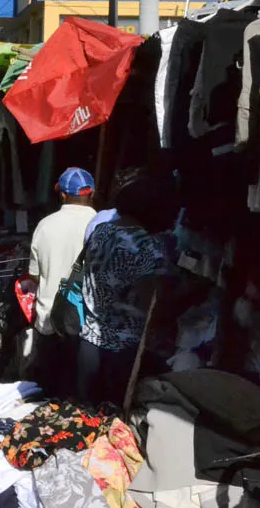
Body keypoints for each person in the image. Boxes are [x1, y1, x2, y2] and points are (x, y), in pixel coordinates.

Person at [77, 167, 176, 405]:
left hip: (88, 340)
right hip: (123, 349)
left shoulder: (100, 230)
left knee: (83, 420)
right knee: (115, 426)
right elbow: (151, 302)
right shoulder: (147, 247)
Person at [26, 168, 97, 391]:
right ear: (91, 193)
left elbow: (34, 274)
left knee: (47, 396)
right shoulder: (101, 225)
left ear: (63, 195)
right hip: (86, 327)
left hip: (50, 321)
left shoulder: (45, 225)